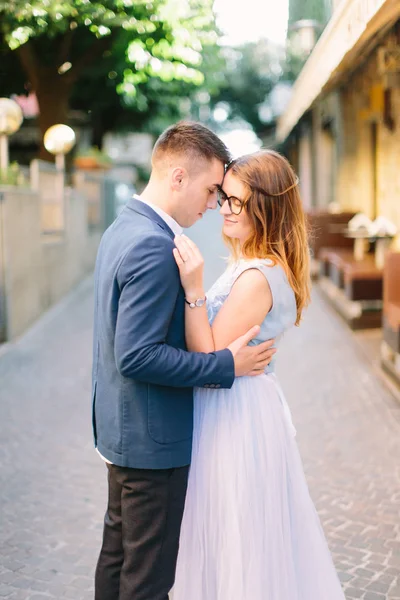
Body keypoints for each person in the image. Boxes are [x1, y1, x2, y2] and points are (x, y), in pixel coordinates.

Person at [92, 122, 277, 600]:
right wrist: (224, 367)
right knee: (147, 579)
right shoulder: (155, 245)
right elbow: (136, 355)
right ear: (178, 177)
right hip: (154, 438)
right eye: (212, 189)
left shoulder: (125, 225)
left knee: (118, 557)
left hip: (121, 429)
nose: (214, 203)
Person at [172, 150, 346, 599]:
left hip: (233, 409)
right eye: (224, 198)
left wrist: (193, 290)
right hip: (240, 399)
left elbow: (208, 353)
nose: (224, 210)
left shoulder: (257, 275)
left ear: (265, 206)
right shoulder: (255, 263)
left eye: (236, 201)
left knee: (235, 532)